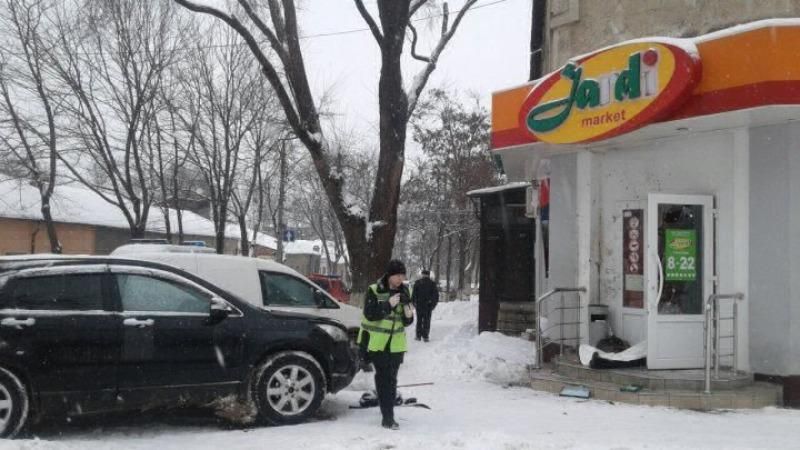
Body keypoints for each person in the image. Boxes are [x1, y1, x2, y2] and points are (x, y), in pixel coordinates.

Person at [357, 259, 414, 430]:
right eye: (397, 275)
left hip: (396, 344)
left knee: (392, 378)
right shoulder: (375, 290)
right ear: (389, 275)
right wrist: (388, 305)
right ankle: (387, 416)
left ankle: (387, 410)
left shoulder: (405, 290)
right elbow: (369, 314)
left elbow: (408, 321)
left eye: (402, 275)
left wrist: (406, 308)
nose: (400, 279)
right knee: (384, 378)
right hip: (377, 344)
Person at [412, 269, 439, 342]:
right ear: (428, 275)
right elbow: (436, 296)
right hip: (428, 306)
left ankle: (418, 336)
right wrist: (433, 305)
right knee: (427, 321)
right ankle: (425, 336)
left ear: (422, 274)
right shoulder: (432, 284)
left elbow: (414, 294)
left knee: (419, 321)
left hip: (419, 305)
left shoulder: (417, 283)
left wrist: (414, 303)